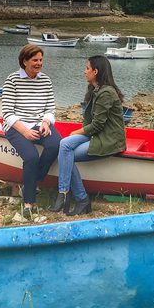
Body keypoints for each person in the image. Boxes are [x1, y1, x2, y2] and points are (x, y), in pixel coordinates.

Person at [52, 55, 126, 216]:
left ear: (96, 71)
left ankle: (75, 197)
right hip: (96, 134)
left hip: (108, 138)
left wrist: (76, 132)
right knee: (65, 146)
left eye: (87, 68)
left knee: (65, 153)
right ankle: (69, 195)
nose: (84, 71)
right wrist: (77, 134)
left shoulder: (106, 93)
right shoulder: (95, 89)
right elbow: (91, 123)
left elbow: (98, 124)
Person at [1, 44, 60, 218]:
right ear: (25, 61)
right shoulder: (12, 80)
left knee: (56, 144)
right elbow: (7, 113)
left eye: (41, 60)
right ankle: (29, 203)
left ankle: (31, 181)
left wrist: (46, 122)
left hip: (38, 123)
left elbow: (50, 108)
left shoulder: (46, 80)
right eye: (35, 60)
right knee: (31, 157)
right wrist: (25, 131)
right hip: (16, 125)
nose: (39, 63)